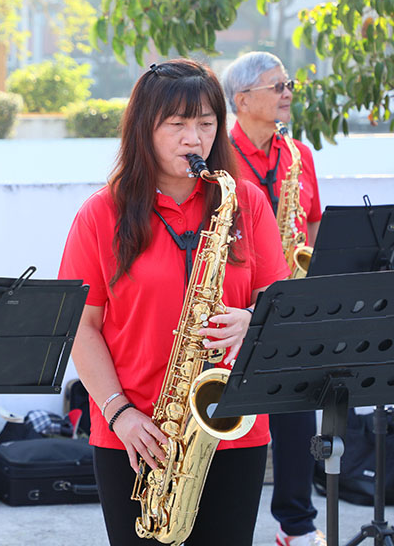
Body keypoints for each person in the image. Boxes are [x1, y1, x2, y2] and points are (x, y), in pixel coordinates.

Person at [58, 59, 291, 545]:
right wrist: (119, 412)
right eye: (178, 124)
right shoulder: (101, 214)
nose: (194, 139)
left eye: (206, 124)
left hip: (231, 426)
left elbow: (277, 298)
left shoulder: (243, 201)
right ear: (144, 129)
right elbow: (81, 327)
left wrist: (251, 319)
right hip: (138, 434)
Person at [223, 51, 324, 546]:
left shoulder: (299, 155)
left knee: (300, 411)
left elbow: (315, 224)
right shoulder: (217, 155)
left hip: (289, 304)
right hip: (236, 305)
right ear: (242, 100)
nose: (287, 93)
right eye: (276, 86)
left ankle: (297, 525)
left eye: (289, 84)